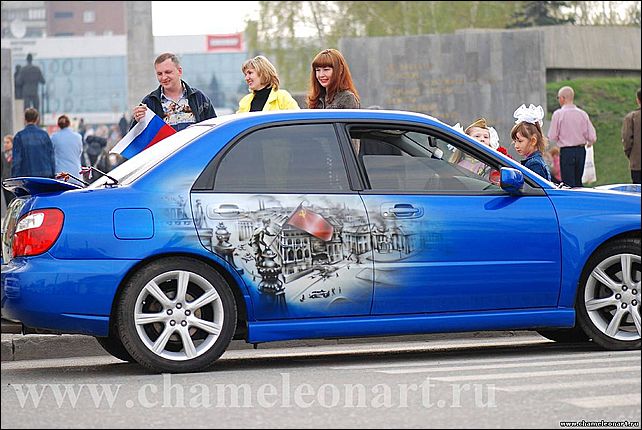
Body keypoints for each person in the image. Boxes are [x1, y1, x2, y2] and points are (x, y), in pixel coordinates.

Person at [131, 52, 216, 132]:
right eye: (159, 74)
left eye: (168, 72)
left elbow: (214, 129)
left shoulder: (199, 98)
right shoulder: (149, 102)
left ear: (179, 71)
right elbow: (136, 137)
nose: (164, 77)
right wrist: (139, 122)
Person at [548, 86, 597, 187]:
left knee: (568, 184)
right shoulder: (582, 114)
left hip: (566, 152)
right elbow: (592, 136)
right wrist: (589, 142)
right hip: (580, 151)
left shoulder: (558, 114)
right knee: (578, 182)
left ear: (562, 98)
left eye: (558, 98)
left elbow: (552, 136)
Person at [11, 108, 55, 178]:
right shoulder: (44, 135)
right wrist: (53, 174)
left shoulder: (19, 136)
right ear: (37, 119)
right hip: (45, 175)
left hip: (27, 177)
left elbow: (17, 160)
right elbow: (51, 157)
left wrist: (14, 177)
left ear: (25, 119)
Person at [511, 104, 551, 181]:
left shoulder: (534, 164)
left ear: (533, 141)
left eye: (520, 141)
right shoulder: (535, 161)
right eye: (515, 141)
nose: (516, 145)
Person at [51, 115, 83, 182]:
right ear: (69, 123)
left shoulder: (54, 137)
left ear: (58, 125)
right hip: (76, 174)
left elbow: (51, 154)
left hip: (60, 173)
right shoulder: (78, 137)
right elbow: (79, 152)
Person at [621, 88, 641, 184]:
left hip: (637, 162)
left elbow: (627, 139)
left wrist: (630, 154)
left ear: (638, 100)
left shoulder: (631, 117)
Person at [2, 135, 14, 205]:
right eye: (4, 142)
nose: (5, 144)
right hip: (5, 182)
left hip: (14, 182)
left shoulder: (16, 154)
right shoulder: (2, 155)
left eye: (7, 142)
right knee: (8, 203)